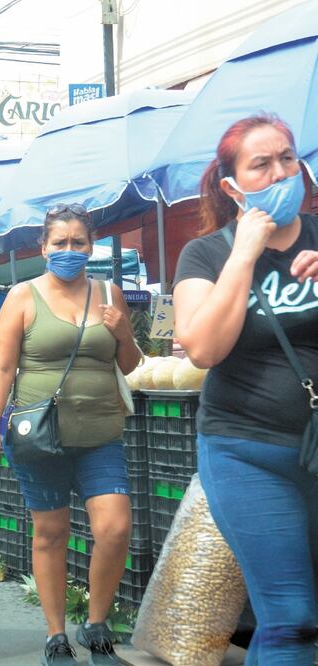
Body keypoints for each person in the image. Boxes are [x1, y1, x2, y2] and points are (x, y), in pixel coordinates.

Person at [173, 114, 318, 665]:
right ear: (233, 185)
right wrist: (244, 254)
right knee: (290, 617)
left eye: (288, 158)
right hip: (247, 452)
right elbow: (204, 347)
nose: (282, 172)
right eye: (262, 164)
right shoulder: (206, 254)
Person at [0, 204, 141, 666]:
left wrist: (122, 331)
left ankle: (95, 625)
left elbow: (129, 364)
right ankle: (55, 635)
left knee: (114, 527)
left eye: (78, 243)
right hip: (38, 436)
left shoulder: (109, 292)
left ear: (91, 246)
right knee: (50, 533)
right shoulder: (23, 296)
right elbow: (2, 366)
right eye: (60, 243)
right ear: (43, 247)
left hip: (101, 432)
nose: (69, 251)